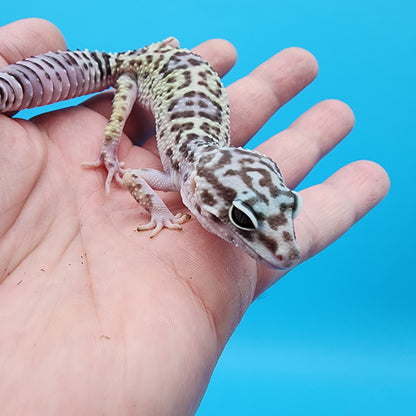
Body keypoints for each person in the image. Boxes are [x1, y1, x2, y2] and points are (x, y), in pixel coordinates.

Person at [0, 18, 389, 415]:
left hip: (175, 69)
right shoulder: (177, 177)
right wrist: (139, 187)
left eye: (287, 208)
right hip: (134, 70)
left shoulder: (203, 172)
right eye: (242, 221)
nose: (286, 244)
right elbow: (133, 176)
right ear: (197, 194)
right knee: (114, 124)